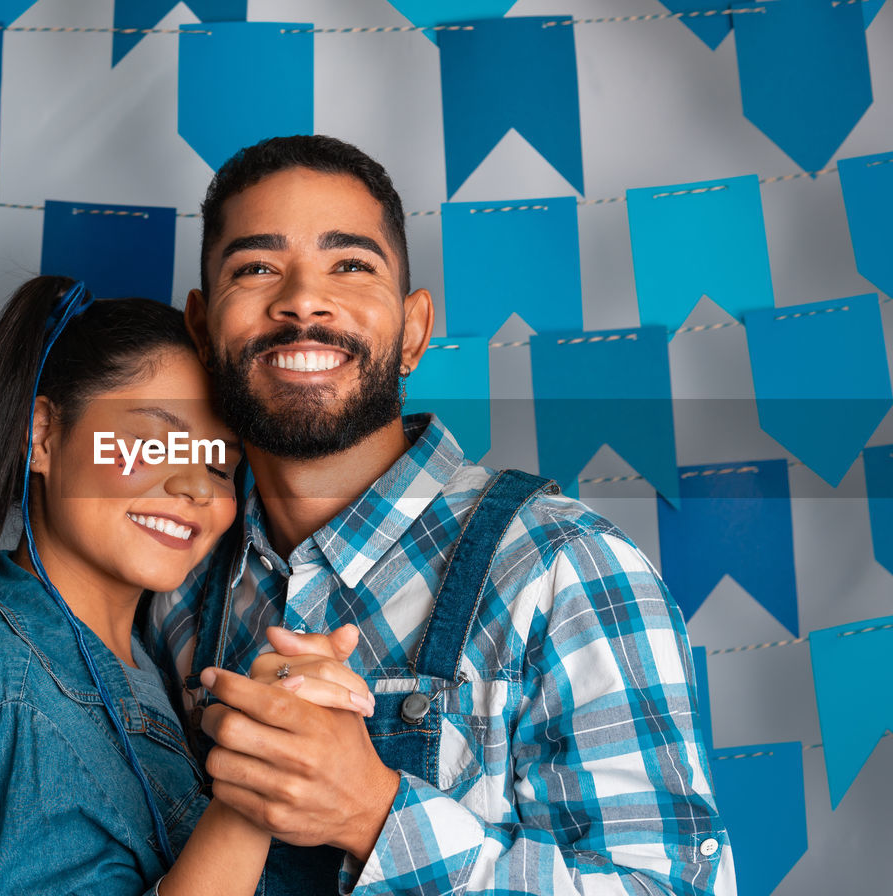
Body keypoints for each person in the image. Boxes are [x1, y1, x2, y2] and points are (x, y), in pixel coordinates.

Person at [148, 135, 737, 895]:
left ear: (415, 331)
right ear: (201, 327)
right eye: (256, 267)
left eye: (351, 265)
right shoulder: (175, 578)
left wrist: (372, 813)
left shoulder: (567, 571)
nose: (302, 299)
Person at [0, 275, 374, 896]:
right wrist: (257, 777)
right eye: (154, 442)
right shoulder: (10, 693)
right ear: (41, 436)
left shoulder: (136, 653)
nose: (196, 487)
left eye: (220, 464)